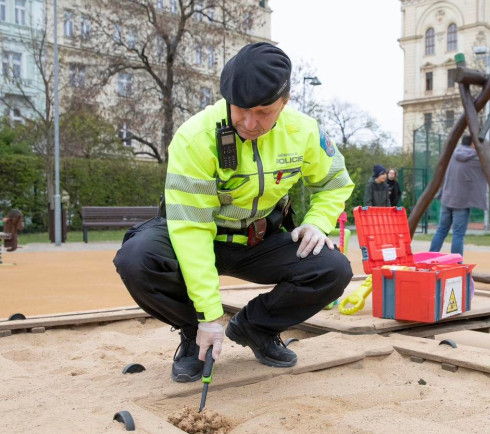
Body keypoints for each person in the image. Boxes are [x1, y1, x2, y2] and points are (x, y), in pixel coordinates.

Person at [113, 42, 354, 383]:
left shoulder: (304, 132)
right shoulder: (195, 138)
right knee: (136, 258)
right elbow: (192, 231)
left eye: (264, 111)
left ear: (285, 102)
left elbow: (334, 183)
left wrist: (317, 222)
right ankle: (193, 334)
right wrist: (208, 316)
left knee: (333, 268)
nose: (250, 122)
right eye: (240, 109)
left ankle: (255, 328)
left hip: (260, 241)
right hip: (201, 237)